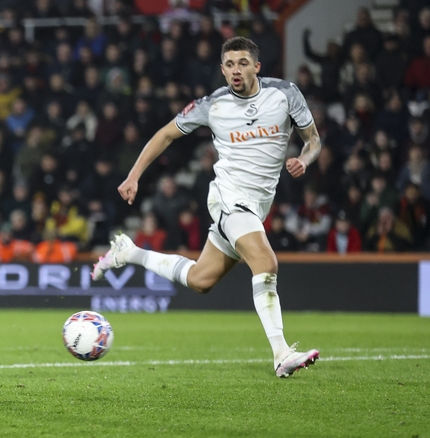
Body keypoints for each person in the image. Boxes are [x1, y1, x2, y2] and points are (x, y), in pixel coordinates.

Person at [93, 37, 322, 378]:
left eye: (242, 63)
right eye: (229, 64)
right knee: (266, 262)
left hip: (256, 206)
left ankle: (129, 252)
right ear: (222, 70)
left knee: (201, 279)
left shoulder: (285, 94)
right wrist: (134, 175)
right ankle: (281, 354)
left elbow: (313, 140)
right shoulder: (212, 105)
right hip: (229, 198)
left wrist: (304, 159)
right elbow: (165, 134)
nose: (236, 70)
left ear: (257, 66)